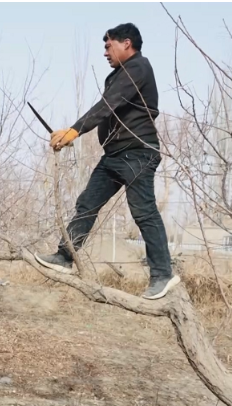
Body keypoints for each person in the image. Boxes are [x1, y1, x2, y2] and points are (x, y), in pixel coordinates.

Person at [38, 23, 180, 300]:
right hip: (114, 155)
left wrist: (74, 131)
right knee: (87, 203)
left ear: (126, 43)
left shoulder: (138, 68)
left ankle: (163, 274)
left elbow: (108, 105)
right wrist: (71, 135)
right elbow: (110, 109)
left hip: (137, 152)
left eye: (108, 45)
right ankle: (65, 257)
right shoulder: (119, 74)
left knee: (143, 212)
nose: (105, 52)